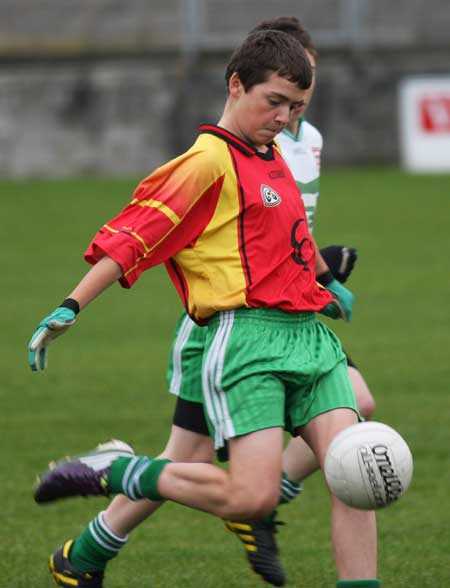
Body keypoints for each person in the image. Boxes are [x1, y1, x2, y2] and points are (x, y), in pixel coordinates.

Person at [30, 28, 379, 588]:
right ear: (236, 85)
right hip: (245, 343)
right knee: (250, 495)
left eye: (296, 108)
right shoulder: (206, 161)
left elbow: (289, 234)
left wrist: (321, 282)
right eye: (275, 103)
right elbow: (134, 235)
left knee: (355, 466)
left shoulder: (272, 155)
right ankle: (115, 471)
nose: (285, 119)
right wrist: (70, 305)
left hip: (310, 340)